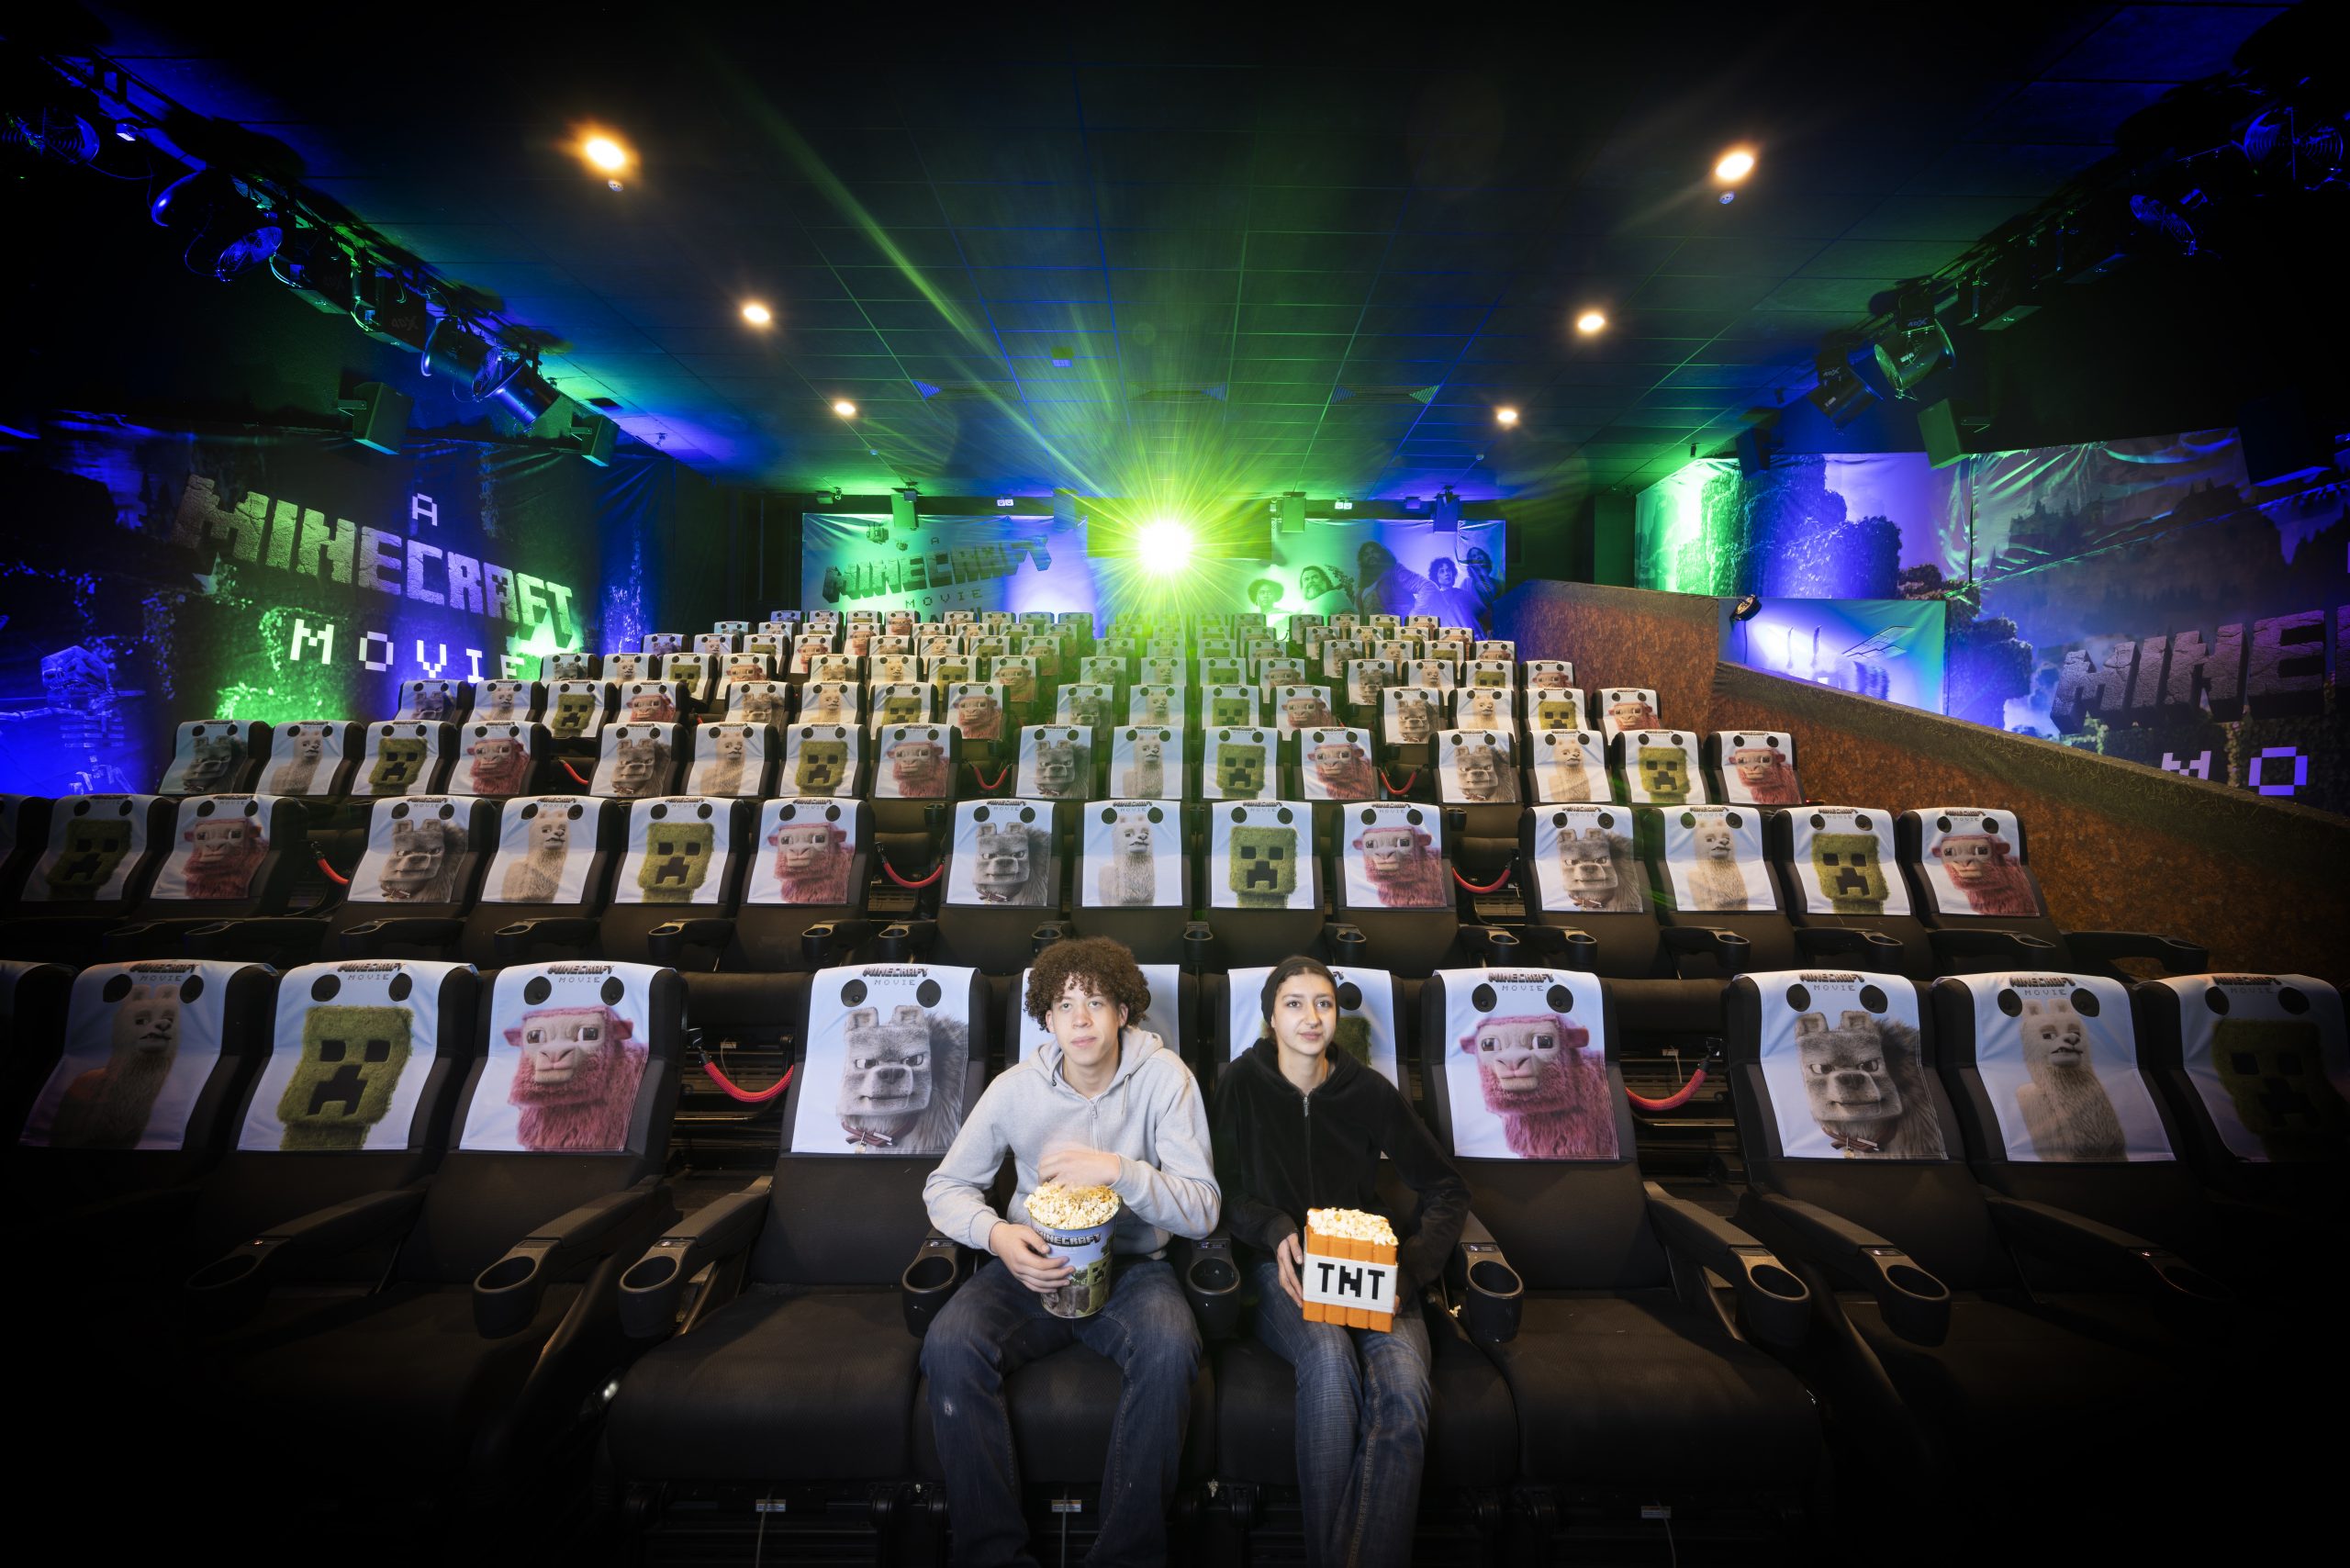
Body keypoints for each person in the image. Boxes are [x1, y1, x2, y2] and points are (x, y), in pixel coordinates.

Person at [923, 935, 1222, 1568]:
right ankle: (994, 1557)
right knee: (948, 1344)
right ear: (1047, 1019)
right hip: (1031, 1263)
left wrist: (1118, 1170)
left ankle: (1126, 1558)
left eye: (1096, 1002)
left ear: (1123, 1011)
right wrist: (998, 1236)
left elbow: (1202, 1209)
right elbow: (945, 1188)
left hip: (1134, 1269)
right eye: (1064, 1005)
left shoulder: (1167, 1079)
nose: (1080, 1019)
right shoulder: (1014, 1089)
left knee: (1172, 1347)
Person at [1211, 957, 1470, 1568]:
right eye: (1294, 1004)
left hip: (1373, 1265)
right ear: (1271, 1016)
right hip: (1283, 1266)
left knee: (1403, 1392)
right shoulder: (1241, 1084)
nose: (1311, 1017)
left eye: (1323, 1003)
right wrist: (1273, 1227)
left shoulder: (1368, 1090)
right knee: (1329, 1365)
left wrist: (1411, 1272)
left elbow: (1448, 1189)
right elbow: (1221, 1192)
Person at [1353, 543, 1433, 621]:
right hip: (1374, 629)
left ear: (1381, 553)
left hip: (1400, 627)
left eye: (1374, 552)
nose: (1371, 556)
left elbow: (1427, 586)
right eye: (1366, 554)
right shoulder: (1362, 589)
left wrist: (1414, 617)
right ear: (1362, 560)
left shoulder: (1396, 572)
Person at [1420, 557, 1484, 633]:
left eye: (1448, 570)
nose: (1446, 573)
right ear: (1436, 576)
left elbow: (1483, 614)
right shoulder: (1433, 599)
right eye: (1442, 571)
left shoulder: (1464, 594)